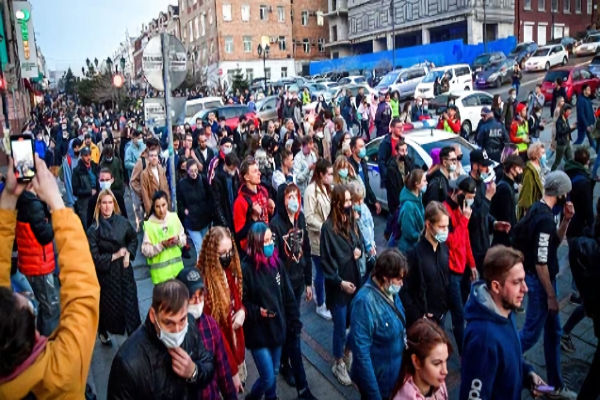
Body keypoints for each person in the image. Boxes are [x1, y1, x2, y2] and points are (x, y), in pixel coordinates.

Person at [0, 155, 100, 399]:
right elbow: (82, 294)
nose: (18, 295)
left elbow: (81, 294)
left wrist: (9, 198)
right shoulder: (60, 372)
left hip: (39, 261)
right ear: (31, 334)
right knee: (50, 307)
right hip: (40, 263)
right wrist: (56, 201)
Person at [517, 171, 578, 399]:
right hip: (541, 283)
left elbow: (554, 243)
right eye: (566, 193)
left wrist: (566, 220)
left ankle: (555, 386)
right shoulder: (543, 219)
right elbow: (541, 262)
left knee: (554, 331)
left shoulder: (541, 210)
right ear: (561, 193)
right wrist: (551, 296)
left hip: (542, 281)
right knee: (531, 333)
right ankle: (500, 357)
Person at [460, 245, 547, 400]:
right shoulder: (483, 339)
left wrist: (528, 373)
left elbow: (508, 357)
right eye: (517, 282)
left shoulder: (505, 308)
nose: (525, 288)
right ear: (496, 286)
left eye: (524, 280)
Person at [107, 279, 215, 398]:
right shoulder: (127, 362)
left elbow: (208, 363)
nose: (177, 330)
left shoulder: (190, 325)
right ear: (153, 316)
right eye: (168, 323)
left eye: (182, 320)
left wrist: (193, 372)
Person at [242, 223, 301, 400]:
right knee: (267, 377)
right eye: (265, 241)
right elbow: (242, 302)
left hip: (277, 330)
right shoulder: (246, 269)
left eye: (271, 240)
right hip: (258, 334)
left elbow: (288, 295)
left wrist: (294, 320)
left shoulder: (276, 264)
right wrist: (257, 311)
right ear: (256, 244)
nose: (270, 245)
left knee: (274, 371)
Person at [269, 184, 316, 398]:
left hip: (298, 284)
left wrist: (308, 282)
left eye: (296, 196)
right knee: (292, 330)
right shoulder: (275, 225)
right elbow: (275, 261)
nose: (294, 200)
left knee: (290, 329)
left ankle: (285, 363)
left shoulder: (301, 219)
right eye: (289, 196)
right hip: (284, 288)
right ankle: (297, 379)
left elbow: (306, 250)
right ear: (283, 199)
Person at [320, 184, 364, 386]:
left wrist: (359, 251)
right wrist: (340, 283)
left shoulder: (351, 220)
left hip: (354, 280)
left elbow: (359, 241)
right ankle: (338, 362)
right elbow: (327, 262)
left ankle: (347, 353)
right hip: (339, 287)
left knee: (355, 322)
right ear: (337, 203)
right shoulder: (328, 228)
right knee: (339, 327)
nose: (349, 204)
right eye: (345, 201)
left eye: (350, 200)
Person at [349, 249, 408, 400]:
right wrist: (374, 395)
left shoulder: (390, 291)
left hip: (393, 376)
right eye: (399, 279)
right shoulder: (364, 303)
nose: (401, 283)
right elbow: (362, 355)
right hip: (380, 381)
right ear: (385, 277)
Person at [197, 226, 246, 393]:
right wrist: (233, 371)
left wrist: (242, 311)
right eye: (223, 253)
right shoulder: (206, 287)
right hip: (223, 359)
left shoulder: (228, 272)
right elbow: (215, 333)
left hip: (235, 346)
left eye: (230, 251)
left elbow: (237, 302)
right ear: (212, 254)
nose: (228, 256)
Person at [87, 189, 140, 345]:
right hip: (107, 277)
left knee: (131, 307)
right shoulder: (93, 230)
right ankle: (103, 331)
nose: (107, 206)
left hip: (125, 273)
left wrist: (129, 253)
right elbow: (94, 257)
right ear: (99, 205)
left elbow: (133, 239)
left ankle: (134, 339)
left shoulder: (122, 222)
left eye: (110, 202)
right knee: (108, 309)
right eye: (104, 203)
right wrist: (116, 255)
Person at [176, 267, 238, 400]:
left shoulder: (210, 325)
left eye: (201, 295)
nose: (198, 302)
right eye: (192, 297)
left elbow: (223, 369)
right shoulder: (173, 331)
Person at [15, 188, 60, 337]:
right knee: (51, 308)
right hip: (39, 264)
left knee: (44, 306)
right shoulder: (32, 204)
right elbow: (45, 235)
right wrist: (54, 217)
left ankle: (41, 338)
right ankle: (48, 343)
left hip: (33, 262)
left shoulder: (24, 200)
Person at [401, 201, 450, 327]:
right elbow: (404, 290)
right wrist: (418, 315)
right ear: (428, 224)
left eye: (447, 226)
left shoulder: (444, 249)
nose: (446, 231)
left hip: (441, 314)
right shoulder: (414, 255)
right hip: (424, 321)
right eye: (441, 227)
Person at [443, 175, 477, 355]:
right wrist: (464, 220)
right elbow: (453, 242)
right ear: (458, 192)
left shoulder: (462, 210)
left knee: (461, 309)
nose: (470, 201)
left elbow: (465, 239)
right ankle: (464, 354)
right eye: (469, 197)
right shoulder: (446, 211)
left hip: (462, 268)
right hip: (451, 271)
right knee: (458, 314)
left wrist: (472, 264)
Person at [392, 318, 451, 400]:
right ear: (416, 361)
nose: (445, 371)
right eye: (437, 363)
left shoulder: (438, 384)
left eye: (445, 360)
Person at [304, 159, 333, 321]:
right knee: (321, 272)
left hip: (329, 238)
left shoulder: (327, 188)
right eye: (329, 174)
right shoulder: (311, 191)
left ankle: (323, 297)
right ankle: (320, 304)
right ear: (321, 174)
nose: (331, 177)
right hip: (317, 240)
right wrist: (324, 228)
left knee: (327, 271)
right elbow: (309, 218)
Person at [141, 190, 186, 285]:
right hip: (161, 278)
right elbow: (145, 250)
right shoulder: (149, 225)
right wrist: (161, 245)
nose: (161, 210)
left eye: (163, 205)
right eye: (157, 206)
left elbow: (183, 240)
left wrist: (178, 239)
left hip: (178, 272)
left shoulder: (174, 218)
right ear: (153, 207)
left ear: (167, 203)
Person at [233, 157, 273, 250]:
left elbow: (267, 219)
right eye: (255, 171)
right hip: (252, 248)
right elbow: (239, 235)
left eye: (258, 170)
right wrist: (253, 219)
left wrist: (271, 210)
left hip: (267, 242)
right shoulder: (240, 201)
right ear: (246, 177)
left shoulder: (263, 191)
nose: (259, 173)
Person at [176, 159, 213, 257]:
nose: (194, 173)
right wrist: (184, 211)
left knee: (205, 246)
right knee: (200, 247)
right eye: (191, 171)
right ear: (187, 171)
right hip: (191, 221)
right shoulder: (182, 184)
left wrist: (208, 210)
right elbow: (179, 201)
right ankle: (201, 266)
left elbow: (210, 196)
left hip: (204, 219)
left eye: (196, 170)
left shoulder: (203, 180)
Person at [491, 155, 525, 246]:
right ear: (512, 169)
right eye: (519, 169)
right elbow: (507, 217)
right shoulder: (504, 189)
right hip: (504, 238)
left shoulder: (508, 185)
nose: (521, 172)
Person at [348, 136, 381, 214]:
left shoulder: (363, 163)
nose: (363, 149)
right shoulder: (349, 165)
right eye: (360, 146)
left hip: (364, 202)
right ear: (353, 149)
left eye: (364, 146)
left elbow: (366, 184)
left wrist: (374, 201)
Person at [396, 169, 426, 253]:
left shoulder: (418, 197)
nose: (426, 183)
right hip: (408, 249)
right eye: (424, 181)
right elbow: (408, 232)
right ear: (417, 184)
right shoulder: (408, 206)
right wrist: (423, 236)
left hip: (415, 246)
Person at [210, 151, 240, 233]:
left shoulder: (234, 176)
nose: (234, 170)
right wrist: (224, 224)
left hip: (235, 215)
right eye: (232, 168)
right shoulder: (217, 179)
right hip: (226, 216)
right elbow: (217, 204)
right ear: (226, 165)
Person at [385, 138, 413, 219]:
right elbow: (394, 189)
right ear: (396, 152)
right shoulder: (391, 167)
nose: (405, 153)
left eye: (406, 150)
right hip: (397, 203)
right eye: (402, 151)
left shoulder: (408, 161)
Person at [72, 146, 99, 230]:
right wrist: (89, 192)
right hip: (84, 203)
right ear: (81, 156)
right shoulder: (77, 171)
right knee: (86, 226)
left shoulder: (95, 166)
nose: (88, 157)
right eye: (86, 155)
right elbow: (75, 191)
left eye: (89, 155)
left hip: (97, 199)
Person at [517, 142, 546, 220]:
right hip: (532, 212)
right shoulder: (529, 172)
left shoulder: (538, 167)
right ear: (536, 154)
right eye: (542, 153)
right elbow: (526, 196)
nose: (544, 155)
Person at [141, 148, 170, 217]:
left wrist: (168, 204)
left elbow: (166, 187)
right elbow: (145, 195)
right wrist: (149, 212)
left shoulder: (161, 169)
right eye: (151, 156)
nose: (154, 158)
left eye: (155, 155)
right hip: (153, 207)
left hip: (164, 205)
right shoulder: (144, 174)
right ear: (148, 158)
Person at [377, 118, 405, 193]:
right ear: (392, 128)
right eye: (398, 127)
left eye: (401, 127)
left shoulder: (402, 140)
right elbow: (381, 161)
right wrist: (387, 176)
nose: (401, 129)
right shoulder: (385, 143)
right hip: (392, 178)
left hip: (402, 176)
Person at [552, 104, 576, 171]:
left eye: (570, 112)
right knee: (557, 161)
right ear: (564, 112)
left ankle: (570, 172)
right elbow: (560, 132)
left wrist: (574, 127)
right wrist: (569, 128)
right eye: (568, 112)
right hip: (561, 144)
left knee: (570, 159)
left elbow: (567, 131)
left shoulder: (566, 119)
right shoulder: (559, 121)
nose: (569, 113)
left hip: (567, 142)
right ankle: (552, 173)